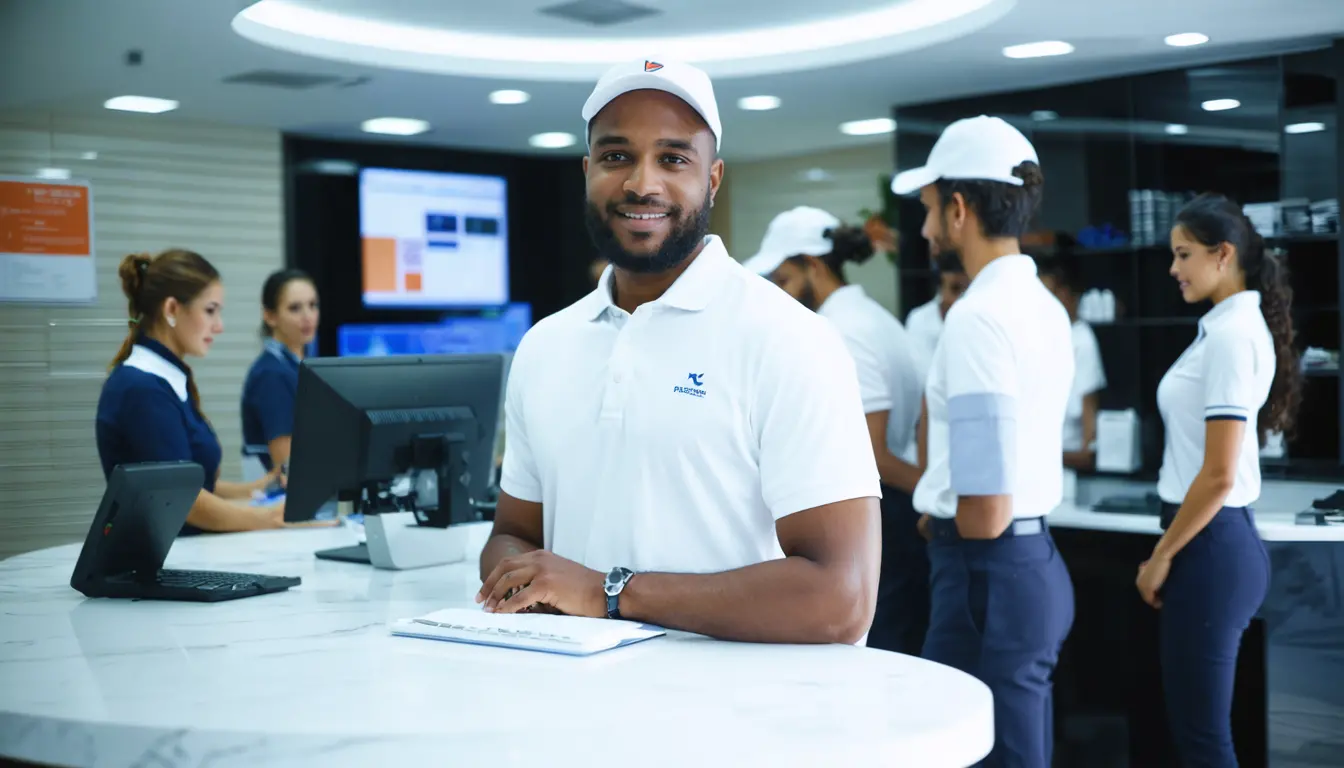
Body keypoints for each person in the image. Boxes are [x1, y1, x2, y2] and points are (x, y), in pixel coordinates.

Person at [475, 59, 882, 645]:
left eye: (673, 159)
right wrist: (520, 578)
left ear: (712, 179)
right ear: (587, 171)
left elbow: (842, 599)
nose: (642, 183)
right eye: (617, 156)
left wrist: (608, 593)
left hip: (739, 702)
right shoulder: (546, 345)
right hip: (569, 693)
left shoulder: (789, 338)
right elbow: (513, 533)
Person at [893, 115, 1075, 767]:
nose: (925, 229)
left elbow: (987, 506)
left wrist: (946, 520)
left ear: (960, 209)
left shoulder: (977, 318)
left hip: (986, 571)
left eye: (929, 209)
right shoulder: (1044, 305)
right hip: (1026, 563)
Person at [1137, 193, 1300, 767]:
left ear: (1223, 254)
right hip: (1209, 545)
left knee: (1203, 740)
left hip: (1209, 548)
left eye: (1184, 254)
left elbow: (1220, 475)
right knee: (1195, 733)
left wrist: (1162, 555)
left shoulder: (1233, 336)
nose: (1173, 268)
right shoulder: (1223, 329)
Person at [744, 205, 928, 654]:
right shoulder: (873, 316)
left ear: (813, 265)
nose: (780, 295)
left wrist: (934, 497)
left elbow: (875, 455)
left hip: (884, 510)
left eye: (784, 280)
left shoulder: (841, 331)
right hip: (893, 510)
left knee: (881, 651)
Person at [96, 250, 284, 534]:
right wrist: (271, 517)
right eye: (210, 311)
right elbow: (185, 500)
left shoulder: (163, 378)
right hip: (161, 556)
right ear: (172, 309)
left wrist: (259, 488)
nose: (218, 327)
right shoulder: (142, 389)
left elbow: (196, 485)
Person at [241, 269, 319, 478]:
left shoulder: (302, 367)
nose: (308, 316)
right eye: (295, 308)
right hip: (275, 493)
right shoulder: (272, 374)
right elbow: (287, 465)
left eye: (312, 305)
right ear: (270, 316)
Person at [1035, 250, 1107, 470]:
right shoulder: (1035, 334)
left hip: (1065, 461)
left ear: (1066, 294)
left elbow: (1088, 439)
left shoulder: (1081, 339)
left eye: (1048, 295)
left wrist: (1082, 452)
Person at [905, 249, 969, 387]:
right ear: (940, 284)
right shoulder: (919, 320)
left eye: (966, 290)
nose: (961, 298)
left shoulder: (976, 318)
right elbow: (922, 377)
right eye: (955, 289)